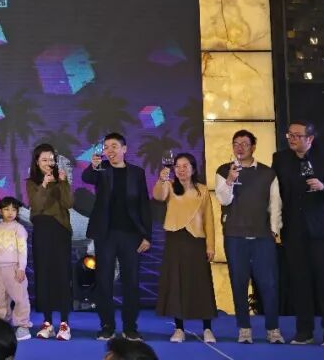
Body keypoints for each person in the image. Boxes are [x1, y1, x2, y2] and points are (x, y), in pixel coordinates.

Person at [272, 121, 324, 347]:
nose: (292, 139)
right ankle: (304, 331)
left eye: (297, 135)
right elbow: (276, 193)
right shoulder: (280, 159)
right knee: (299, 283)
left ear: (310, 139)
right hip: (294, 231)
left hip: (322, 232)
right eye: (289, 135)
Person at [81, 132, 152, 342]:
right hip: (106, 234)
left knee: (132, 281)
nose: (109, 150)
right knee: (104, 281)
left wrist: (147, 236)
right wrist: (93, 166)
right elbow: (87, 178)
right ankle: (107, 325)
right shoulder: (101, 169)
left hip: (131, 235)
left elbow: (144, 205)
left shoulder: (137, 173)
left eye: (114, 146)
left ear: (124, 149)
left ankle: (130, 327)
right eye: (106, 147)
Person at [214, 130, 283, 344]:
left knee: (268, 284)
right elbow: (223, 200)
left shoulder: (267, 173)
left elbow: (275, 203)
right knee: (238, 282)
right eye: (236, 144)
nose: (240, 148)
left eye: (244, 144)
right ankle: (244, 328)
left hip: (263, 237)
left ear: (253, 147)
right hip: (235, 236)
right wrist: (230, 180)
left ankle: (273, 329)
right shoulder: (224, 170)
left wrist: (274, 230)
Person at [153, 152, 217, 343]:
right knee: (176, 283)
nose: (181, 170)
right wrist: (161, 180)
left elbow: (209, 220)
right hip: (175, 239)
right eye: (177, 166)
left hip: (196, 240)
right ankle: (179, 328)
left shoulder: (202, 190)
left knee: (201, 284)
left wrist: (210, 246)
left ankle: (207, 329)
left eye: (185, 166)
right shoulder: (170, 186)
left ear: (193, 169)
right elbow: (158, 196)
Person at [24, 143, 73, 341]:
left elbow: (68, 203)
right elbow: (37, 204)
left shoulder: (61, 179)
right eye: (44, 159)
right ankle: (47, 322)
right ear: (37, 162)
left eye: (51, 159)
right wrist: (44, 184)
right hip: (42, 231)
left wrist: (63, 183)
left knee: (62, 275)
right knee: (43, 275)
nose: (48, 163)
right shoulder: (32, 182)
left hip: (60, 230)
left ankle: (64, 323)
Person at [0, 197, 31, 341]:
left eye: (14, 210)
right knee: (1, 297)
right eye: (6, 209)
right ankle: (2, 322)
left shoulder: (19, 228)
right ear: (0, 211)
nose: (10, 213)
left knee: (20, 297)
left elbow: (22, 250)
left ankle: (23, 326)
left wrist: (21, 268)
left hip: (14, 268)